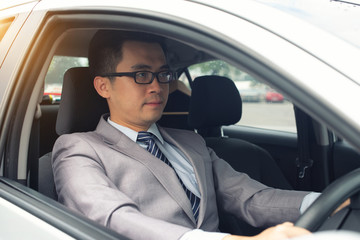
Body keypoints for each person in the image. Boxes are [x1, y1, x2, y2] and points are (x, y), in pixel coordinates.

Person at [52, 30, 315, 240]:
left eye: (163, 74)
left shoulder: (192, 143)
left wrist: (320, 202)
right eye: (141, 74)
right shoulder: (77, 149)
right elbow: (112, 218)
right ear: (103, 86)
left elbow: (249, 197)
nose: (157, 86)